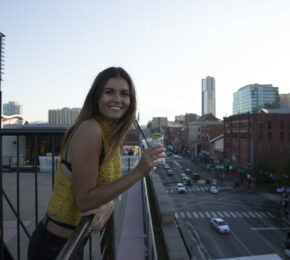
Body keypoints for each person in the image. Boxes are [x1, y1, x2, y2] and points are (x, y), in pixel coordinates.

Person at [27, 67, 165, 259]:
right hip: (54, 247)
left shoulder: (110, 134)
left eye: (124, 94)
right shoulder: (91, 130)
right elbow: (84, 200)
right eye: (109, 92)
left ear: (130, 101)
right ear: (97, 97)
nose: (117, 99)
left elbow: (101, 187)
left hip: (73, 241)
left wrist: (109, 204)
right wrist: (140, 170)